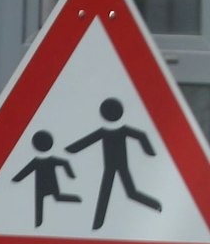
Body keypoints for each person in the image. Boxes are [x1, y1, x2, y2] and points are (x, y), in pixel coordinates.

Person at [66, 97, 163, 229]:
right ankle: (97, 224)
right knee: (117, 193)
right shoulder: (111, 132)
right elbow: (85, 142)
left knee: (123, 193)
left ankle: (155, 205)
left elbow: (140, 136)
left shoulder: (114, 131)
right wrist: (70, 150)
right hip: (111, 167)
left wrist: (151, 152)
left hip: (119, 166)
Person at [10, 130, 80, 228]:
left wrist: (16, 180)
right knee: (45, 202)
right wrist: (15, 180)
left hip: (43, 185)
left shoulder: (38, 162)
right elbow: (65, 163)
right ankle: (38, 224)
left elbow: (25, 172)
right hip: (44, 186)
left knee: (46, 201)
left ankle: (77, 200)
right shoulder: (43, 161)